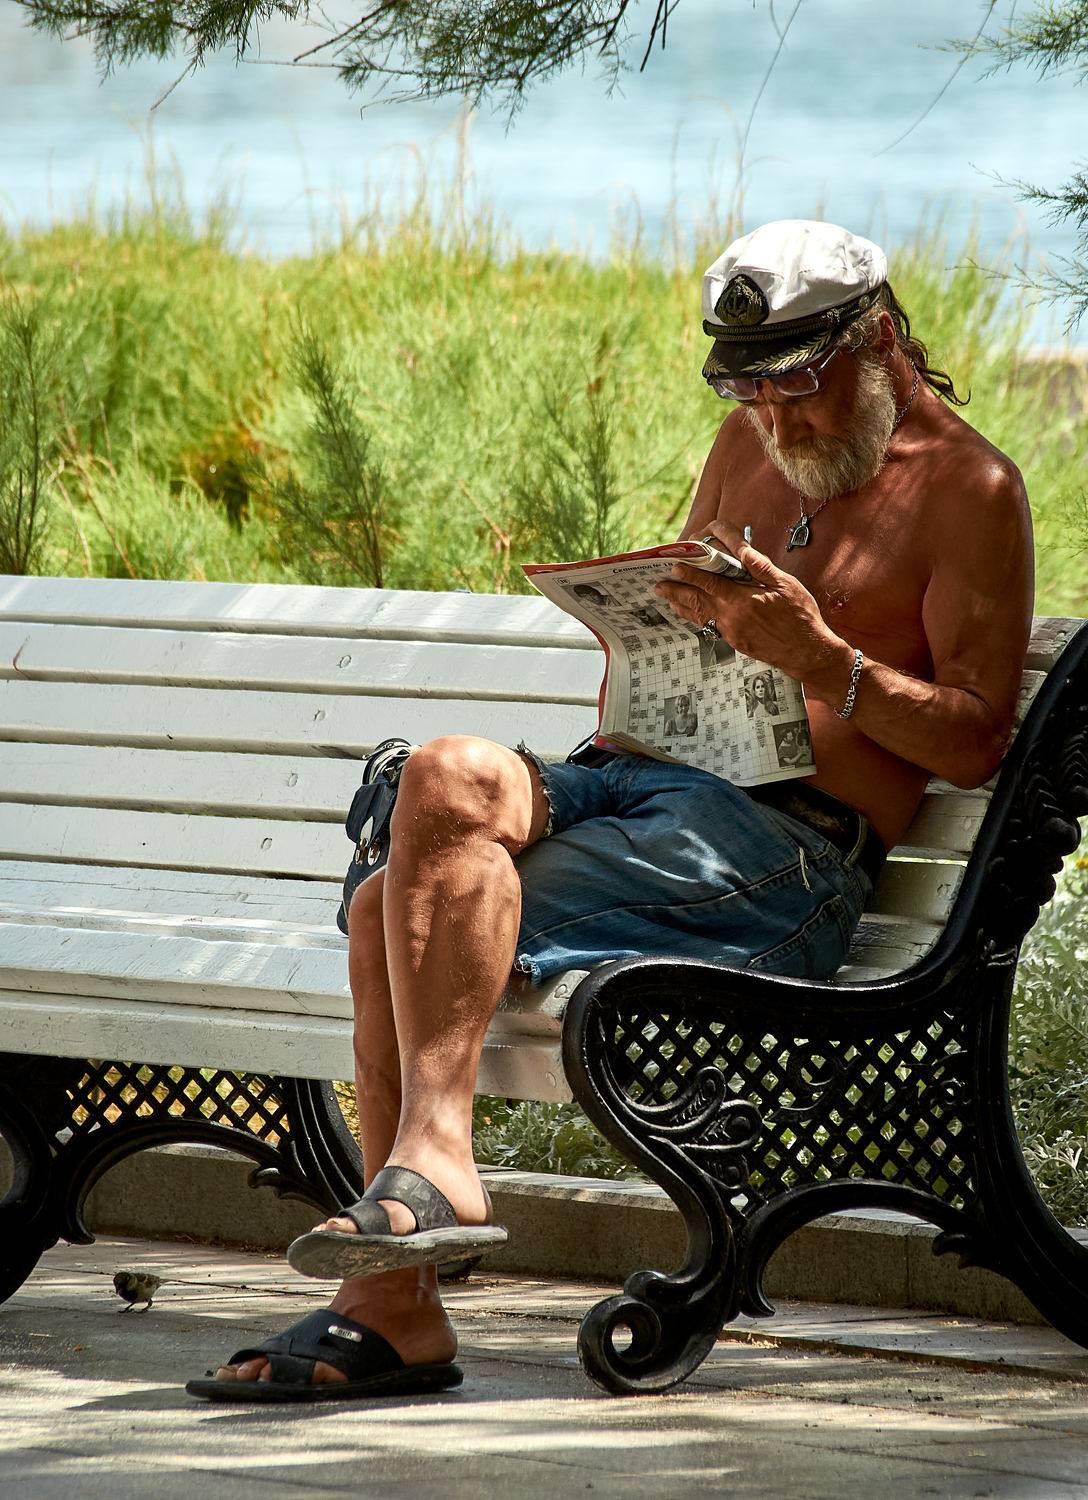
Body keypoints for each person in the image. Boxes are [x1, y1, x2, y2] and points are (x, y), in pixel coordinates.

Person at [188, 218, 1033, 1402]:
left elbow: (977, 738)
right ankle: (431, 1188)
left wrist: (820, 659)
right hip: (648, 778)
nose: (777, 423)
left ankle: (394, 1303)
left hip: (785, 852)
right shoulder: (746, 442)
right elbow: (689, 633)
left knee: (388, 906)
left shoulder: (971, 490)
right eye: (747, 392)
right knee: (443, 775)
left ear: (878, 340)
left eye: (798, 389)